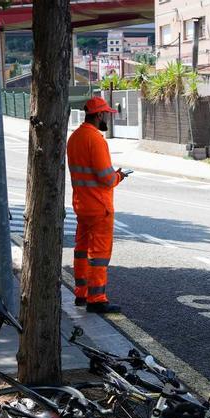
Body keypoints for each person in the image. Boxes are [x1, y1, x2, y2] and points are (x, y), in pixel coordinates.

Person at [67, 96, 128, 314]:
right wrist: (119, 176)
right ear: (99, 115)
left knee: (82, 250)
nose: (108, 119)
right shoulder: (96, 139)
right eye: (107, 115)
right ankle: (97, 298)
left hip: (81, 205)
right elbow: (106, 178)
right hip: (99, 206)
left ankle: (81, 293)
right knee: (99, 254)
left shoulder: (74, 138)